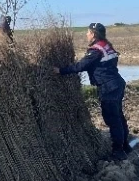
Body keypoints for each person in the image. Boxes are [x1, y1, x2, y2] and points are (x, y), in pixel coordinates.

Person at [54, 22, 131, 161]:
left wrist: (60, 71)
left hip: (108, 87)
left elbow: (81, 66)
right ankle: (125, 146)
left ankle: (118, 151)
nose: (86, 34)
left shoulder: (96, 51)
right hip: (117, 84)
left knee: (112, 119)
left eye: (88, 32)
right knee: (118, 116)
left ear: (94, 34)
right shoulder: (106, 46)